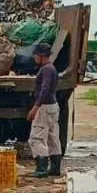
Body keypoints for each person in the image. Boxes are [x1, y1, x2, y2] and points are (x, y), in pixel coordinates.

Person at [27, 43, 61, 177]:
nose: (34, 57)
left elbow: (45, 89)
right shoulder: (52, 68)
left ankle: (41, 169)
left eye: (35, 55)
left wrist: (36, 107)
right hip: (53, 106)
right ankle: (55, 168)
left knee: (37, 137)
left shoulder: (46, 69)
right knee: (52, 136)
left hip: (44, 107)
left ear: (41, 56)